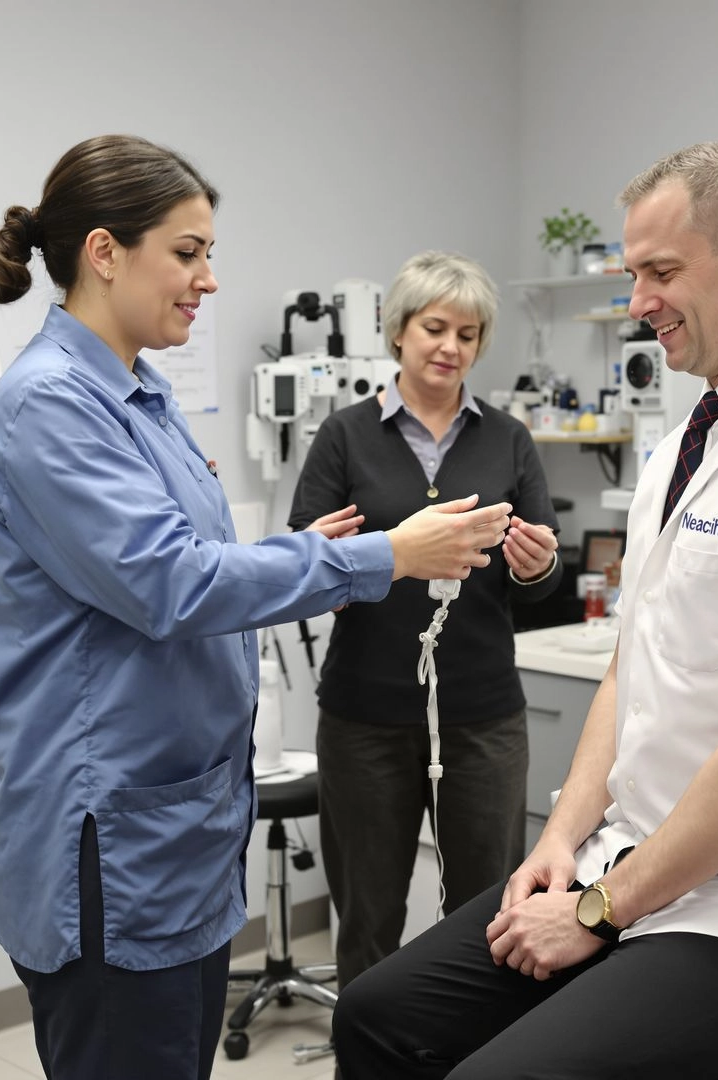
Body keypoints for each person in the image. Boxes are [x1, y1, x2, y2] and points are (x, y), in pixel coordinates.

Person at [331, 142, 718, 1080]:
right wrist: (563, 844)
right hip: (636, 872)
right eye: (632, 274)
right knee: (377, 1015)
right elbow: (634, 666)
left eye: (661, 271)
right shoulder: (687, 444)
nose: (639, 301)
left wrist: (594, 911)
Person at [0, 135, 512, 1080]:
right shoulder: (50, 406)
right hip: (112, 840)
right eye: (188, 253)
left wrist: (321, 553)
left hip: (177, 831)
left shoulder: (139, 394)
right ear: (105, 252)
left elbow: (201, 557)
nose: (209, 280)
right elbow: (171, 582)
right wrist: (384, 556)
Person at [287, 250, 561, 993]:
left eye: (468, 334)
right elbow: (303, 563)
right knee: (368, 917)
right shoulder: (344, 437)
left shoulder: (507, 439)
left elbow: (538, 583)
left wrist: (537, 567)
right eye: (435, 327)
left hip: (482, 717)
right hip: (364, 719)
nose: (451, 347)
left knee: (486, 915)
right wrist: (335, 568)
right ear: (399, 331)